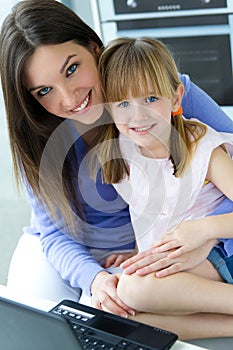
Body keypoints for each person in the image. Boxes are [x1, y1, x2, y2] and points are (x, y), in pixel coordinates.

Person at [1, 0, 233, 339]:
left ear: (94, 48)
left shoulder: (162, 96)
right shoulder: (39, 140)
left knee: (116, 313)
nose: (70, 98)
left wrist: (205, 233)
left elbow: (223, 173)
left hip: (182, 240)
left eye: (72, 69)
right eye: (45, 90)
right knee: (34, 328)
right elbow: (52, 233)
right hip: (86, 249)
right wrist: (93, 278)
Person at [96, 35, 233, 335]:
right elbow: (152, 214)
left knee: (132, 291)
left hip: (221, 255)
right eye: (123, 103)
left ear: (176, 97)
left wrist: (203, 230)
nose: (138, 115)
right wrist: (137, 253)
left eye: (150, 99)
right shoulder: (122, 155)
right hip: (181, 266)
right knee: (121, 317)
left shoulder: (201, 146)